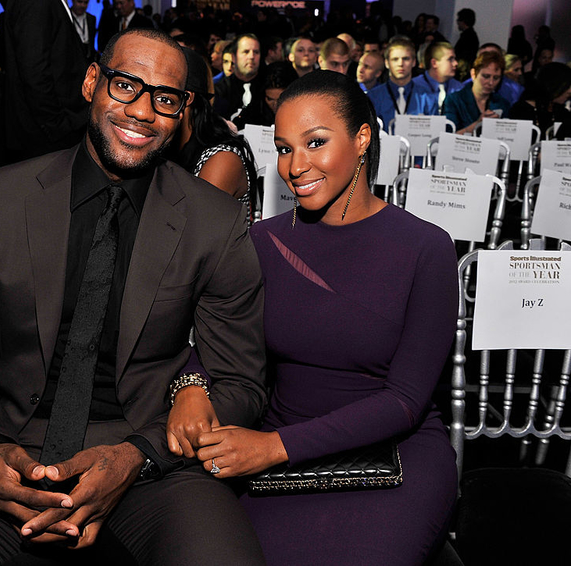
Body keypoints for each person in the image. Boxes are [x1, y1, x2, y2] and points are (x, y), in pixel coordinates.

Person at [0, 28, 267, 566]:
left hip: (150, 461)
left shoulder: (212, 221)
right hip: (12, 451)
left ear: (183, 111)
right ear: (92, 82)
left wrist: (135, 458)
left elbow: (240, 381)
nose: (143, 112)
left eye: (165, 98)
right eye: (125, 86)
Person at [168, 70, 459, 565]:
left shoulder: (426, 248)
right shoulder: (262, 242)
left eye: (315, 143)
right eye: (284, 149)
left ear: (362, 138)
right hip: (268, 449)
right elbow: (210, 341)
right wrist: (191, 386)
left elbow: (406, 402)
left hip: (393, 458)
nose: (295, 166)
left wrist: (274, 447)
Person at [170, 48, 258, 219]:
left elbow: (191, 231)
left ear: (186, 99)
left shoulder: (222, 158)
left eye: (163, 97)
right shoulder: (166, 148)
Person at [2, 0, 89, 161]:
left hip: (53, 126)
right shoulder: (36, 3)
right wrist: (57, 124)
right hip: (47, 131)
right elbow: (34, 71)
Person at [367, 36, 426, 132]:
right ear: (387, 63)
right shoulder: (373, 97)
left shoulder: (427, 97)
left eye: (406, 59)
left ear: (414, 62)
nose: (400, 64)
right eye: (395, 59)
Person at [444, 51, 510, 135]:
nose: (491, 82)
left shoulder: (502, 103)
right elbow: (448, 137)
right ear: (473, 74)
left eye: (496, 78)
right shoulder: (454, 100)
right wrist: (477, 125)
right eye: (486, 76)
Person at [510, 62, 571, 140]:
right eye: (567, 86)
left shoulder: (563, 113)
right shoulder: (521, 111)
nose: (570, 91)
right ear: (553, 85)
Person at [213, 33, 264, 121]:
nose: (251, 56)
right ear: (234, 57)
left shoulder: (267, 88)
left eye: (256, 52)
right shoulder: (219, 90)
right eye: (246, 52)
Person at [412, 41, 462, 115]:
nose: (456, 63)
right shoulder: (414, 87)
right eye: (450, 59)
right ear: (434, 63)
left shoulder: (459, 88)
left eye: (454, 59)